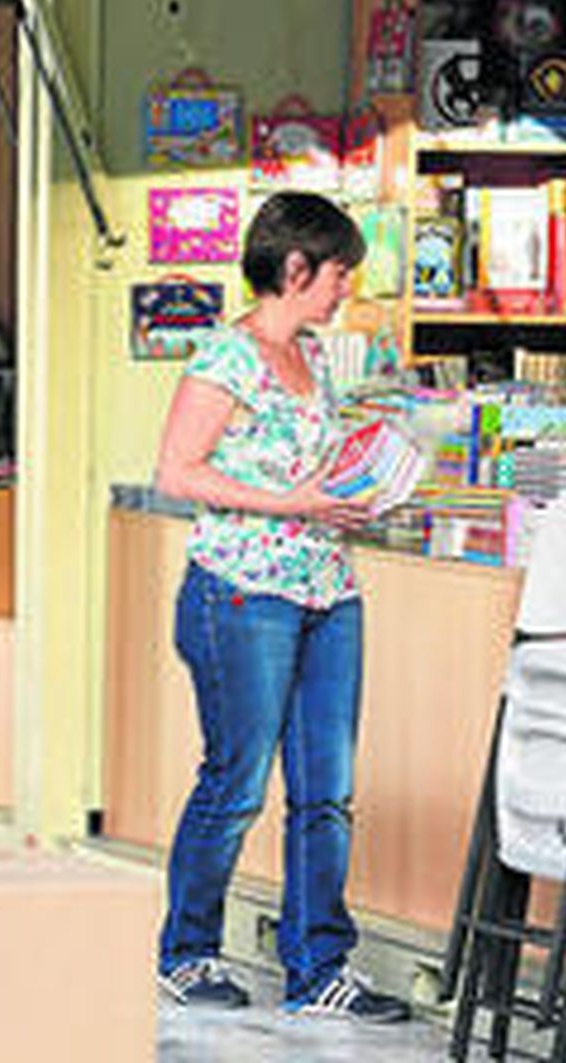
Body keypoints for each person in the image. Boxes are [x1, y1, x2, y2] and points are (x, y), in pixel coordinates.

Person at [153, 191, 411, 1024]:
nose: (344, 290)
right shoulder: (224, 358)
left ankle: (317, 965)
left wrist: (362, 477)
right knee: (236, 782)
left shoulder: (316, 357)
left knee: (326, 791)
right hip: (242, 593)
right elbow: (178, 473)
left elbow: (311, 464)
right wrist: (291, 501)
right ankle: (186, 953)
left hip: (329, 590)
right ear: (295, 268)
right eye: (339, 273)